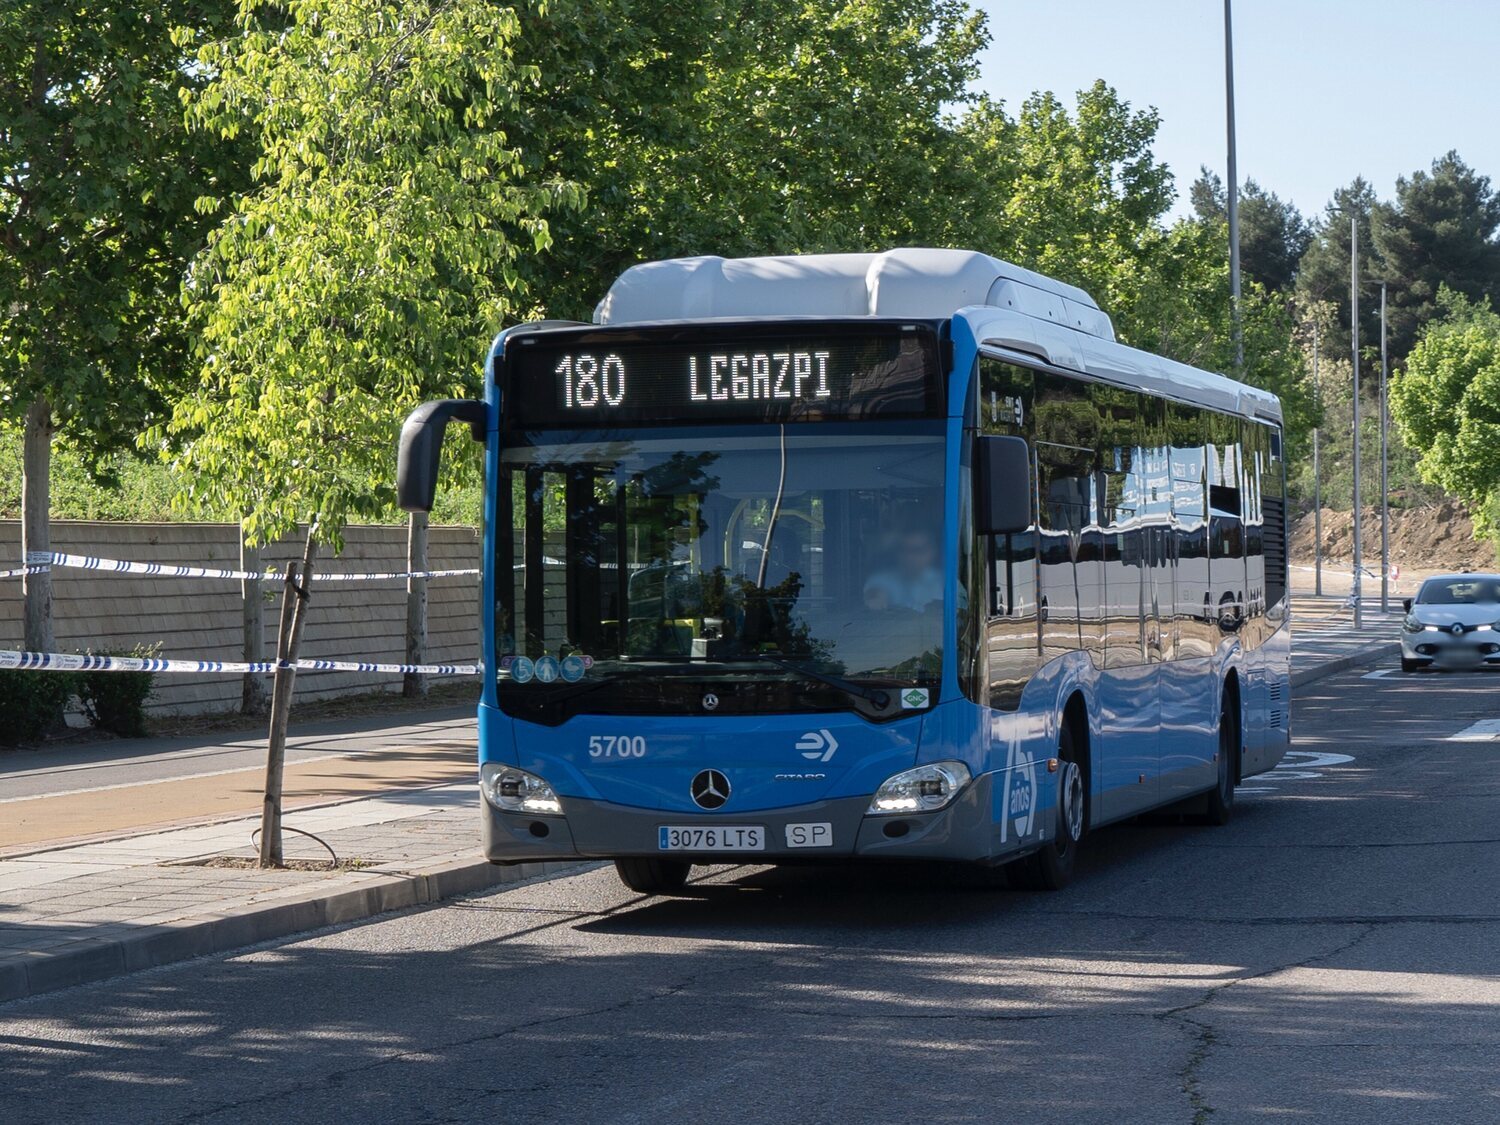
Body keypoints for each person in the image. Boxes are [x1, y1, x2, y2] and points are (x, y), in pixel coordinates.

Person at [864, 526, 942, 612]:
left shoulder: (946, 584)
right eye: (904, 550)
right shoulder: (881, 579)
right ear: (897, 552)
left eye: (917, 550)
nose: (910, 557)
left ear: (931, 552)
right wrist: (876, 598)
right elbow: (874, 593)